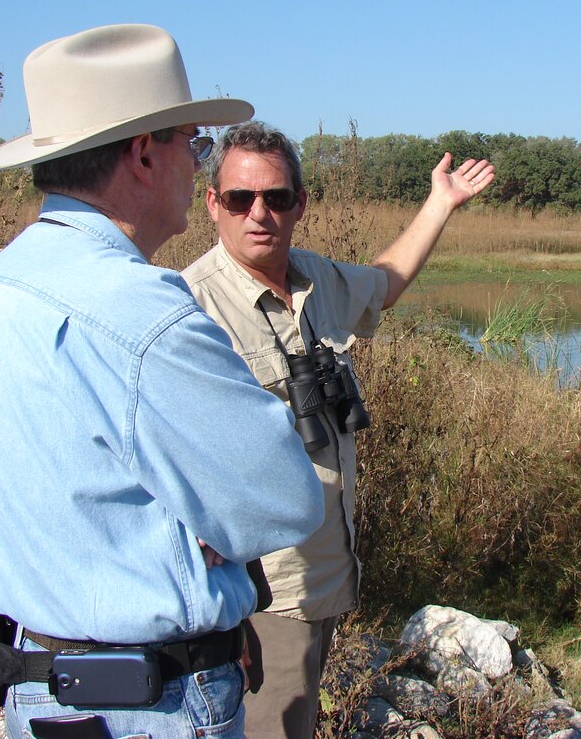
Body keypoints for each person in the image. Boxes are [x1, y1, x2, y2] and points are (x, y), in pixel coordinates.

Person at [0, 25, 324, 739]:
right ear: (146, 153)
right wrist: (198, 521)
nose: (196, 164)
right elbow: (286, 500)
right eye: (195, 144)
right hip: (151, 707)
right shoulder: (140, 313)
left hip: (35, 690)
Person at [182, 121, 494, 739]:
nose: (259, 213)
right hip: (261, 596)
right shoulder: (190, 308)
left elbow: (385, 282)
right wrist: (220, 616)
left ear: (301, 203)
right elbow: (174, 478)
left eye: (277, 197)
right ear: (213, 204)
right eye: (241, 199)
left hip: (325, 570)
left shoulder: (315, 279)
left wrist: (441, 202)